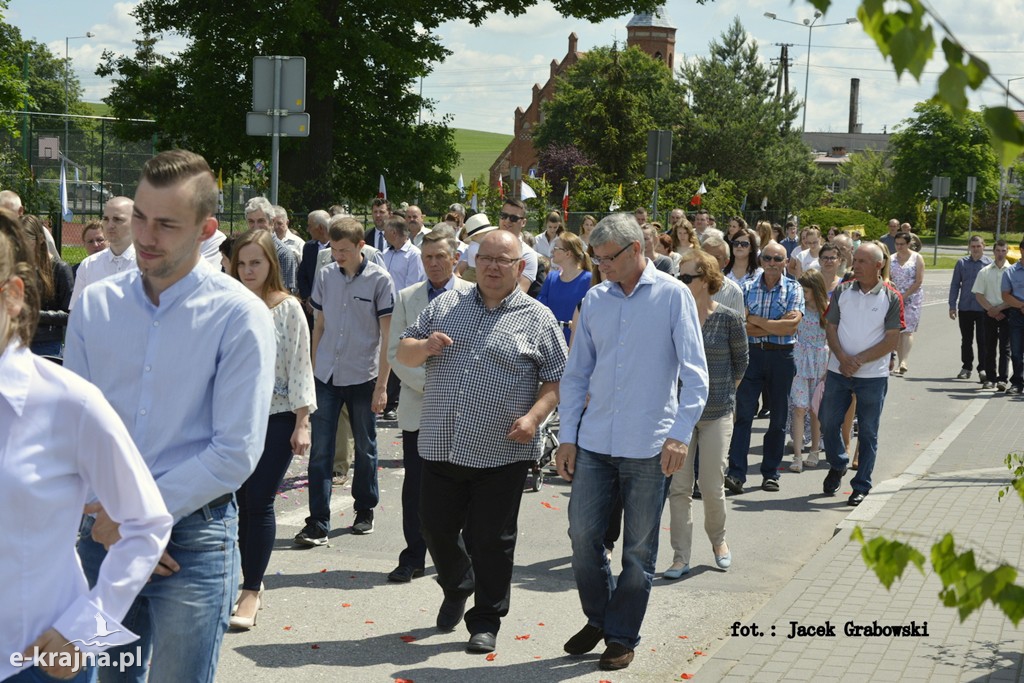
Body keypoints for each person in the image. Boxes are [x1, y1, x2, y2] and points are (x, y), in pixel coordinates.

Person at [65, 149, 276, 681]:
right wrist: (117, 523)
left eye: (165, 223)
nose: (145, 234)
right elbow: (73, 426)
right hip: (104, 534)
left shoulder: (240, 315)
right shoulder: (95, 305)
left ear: (206, 230)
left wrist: (139, 521)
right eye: (139, 215)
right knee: (108, 677)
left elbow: (235, 452)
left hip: (193, 541)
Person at [0, 210, 172, 683]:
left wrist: (85, 634)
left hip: (34, 663)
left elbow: (145, 523)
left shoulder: (67, 402)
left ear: (14, 297)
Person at [397, 230, 566, 654]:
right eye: (485, 258)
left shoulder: (537, 317)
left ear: (519, 267)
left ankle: (486, 619)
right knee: (432, 526)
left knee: (492, 539)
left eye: (502, 260)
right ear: (472, 262)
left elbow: (558, 379)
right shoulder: (446, 305)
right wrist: (424, 345)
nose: (492, 266)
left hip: (501, 450)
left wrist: (534, 418)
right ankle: (457, 585)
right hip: (441, 442)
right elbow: (404, 351)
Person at [556, 213, 708, 672]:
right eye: (596, 258)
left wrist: (680, 435)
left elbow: (695, 375)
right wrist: (567, 436)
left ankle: (621, 635)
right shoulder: (596, 299)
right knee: (582, 536)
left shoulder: (672, 295)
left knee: (638, 550)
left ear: (635, 250)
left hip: (649, 443)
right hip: (597, 439)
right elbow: (577, 371)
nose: (600, 266)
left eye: (607, 258)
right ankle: (601, 618)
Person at [227, 230, 316, 630]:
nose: (248, 270)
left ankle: (252, 589)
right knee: (236, 501)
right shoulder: (226, 305)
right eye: (242, 263)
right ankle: (232, 581)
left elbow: (301, 366)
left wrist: (303, 422)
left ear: (271, 266)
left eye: (256, 263)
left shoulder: (288, 308)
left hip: (277, 417)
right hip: (232, 419)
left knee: (259, 499)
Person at [298, 215, 394, 545]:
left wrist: (382, 385)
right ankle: (317, 522)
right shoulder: (325, 275)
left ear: (360, 246)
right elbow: (319, 326)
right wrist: (311, 372)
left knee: (365, 448)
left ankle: (364, 509)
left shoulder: (380, 280)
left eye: (344, 250)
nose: (338, 256)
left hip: (363, 375)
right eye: (334, 250)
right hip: (326, 373)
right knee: (320, 450)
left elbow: (387, 336)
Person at [385, 231, 475, 584]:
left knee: (464, 486)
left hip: (464, 410)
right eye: (427, 258)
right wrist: (434, 387)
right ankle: (413, 556)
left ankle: (459, 556)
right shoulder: (408, 298)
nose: (434, 263)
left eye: (440, 256)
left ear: (455, 259)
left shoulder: (472, 294)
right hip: (419, 409)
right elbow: (396, 353)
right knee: (417, 489)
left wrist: (453, 391)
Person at [664, 250, 746, 579]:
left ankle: (719, 542)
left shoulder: (727, 317)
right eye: (677, 276)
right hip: (679, 416)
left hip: (716, 414)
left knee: (712, 486)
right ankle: (680, 556)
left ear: (706, 280)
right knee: (679, 488)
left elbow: (741, 364)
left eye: (686, 277)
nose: (679, 282)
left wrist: (723, 393)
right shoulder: (671, 316)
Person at [819, 242, 904, 506]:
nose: (855, 265)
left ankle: (861, 485)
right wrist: (843, 358)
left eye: (862, 261)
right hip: (838, 371)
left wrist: (858, 361)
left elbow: (891, 341)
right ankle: (838, 463)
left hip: (873, 376)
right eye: (855, 260)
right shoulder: (843, 291)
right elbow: (830, 327)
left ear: (879, 265)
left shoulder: (891, 297)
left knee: (868, 431)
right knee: (828, 421)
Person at [724, 240, 804, 494]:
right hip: (751, 356)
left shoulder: (794, 288)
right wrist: (774, 323)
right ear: (760, 260)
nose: (771, 263)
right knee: (743, 416)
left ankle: (770, 474)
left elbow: (791, 327)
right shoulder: (745, 287)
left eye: (777, 259)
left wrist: (756, 320)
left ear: (786, 263)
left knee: (778, 419)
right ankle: (736, 474)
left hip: (782, 357)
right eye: (767, 258)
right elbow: (740, 325)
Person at [788, 269, 830, 472]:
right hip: (800, 361)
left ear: (816, 289)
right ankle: (797, 454)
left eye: (806, 290)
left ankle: (814, 450)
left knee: (816, 409)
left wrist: (829, 367)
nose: (803, 294)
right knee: (798, 407)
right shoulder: (798, 308)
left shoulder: (827, 310)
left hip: (820, 362)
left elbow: (833, 337)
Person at [70, 196, 136, 310]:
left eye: (117, 219)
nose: (110, 225)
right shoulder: (88, 266)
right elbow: (76, 316)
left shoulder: (152, 266)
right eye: (106, 219)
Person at [21, 215, 73, 357]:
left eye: (26, 238)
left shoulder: (60, 268)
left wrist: (36, 314)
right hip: (16, 341)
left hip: (47, 344)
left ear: (41, 239)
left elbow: (70, 315)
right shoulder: (17, 267)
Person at [538, 231, 592, 345]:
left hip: (577, 344)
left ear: (568, 254)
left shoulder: (588, 280)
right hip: (551, 344)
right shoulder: (551, 278)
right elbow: (540, 310)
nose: (552, 251)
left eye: (556, 248)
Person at [949, 235, 990, 380]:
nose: (975, 249)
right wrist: (952, 306)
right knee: (966, 340)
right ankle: (966, 367)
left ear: (983, 246)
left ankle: (983, 369)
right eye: (973, 246)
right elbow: (955, 285)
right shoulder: (961, 263)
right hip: (965, 307)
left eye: (978, 246)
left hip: (983, 308)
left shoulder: (989, 264)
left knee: (983, 340)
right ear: (969, 247)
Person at [973, 240, 1012, 391]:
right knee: (989, 346)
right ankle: (990, 378)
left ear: (1007, 252)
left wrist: (1000, 308)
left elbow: (1015, 295)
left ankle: (1002, 379)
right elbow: (979, 294)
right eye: (998, 250)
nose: (1000, 253)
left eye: (1003, 250)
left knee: (1005, 347)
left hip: (1007, 311)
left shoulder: (1012, 271)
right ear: (993, 252)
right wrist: (991, 310)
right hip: (988, 312)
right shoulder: (985, 271)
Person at [245, 197, 298, 293]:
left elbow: (284, 295)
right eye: (251, 221)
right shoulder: (243, 250)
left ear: (272, 222)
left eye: (261, 221)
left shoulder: (283, 254)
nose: (256, 226)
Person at [890, 231, 924, 375]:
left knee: (907, 330)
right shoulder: (891, 259)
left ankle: (903, 361)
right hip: (895, 298)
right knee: (897, 331)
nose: (899, 247)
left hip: (912, 297)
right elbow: (888, 277)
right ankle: (899, 360)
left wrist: (905, 295)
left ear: (909, 243)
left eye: (902, 244)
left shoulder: (917, 258)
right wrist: (896, 295)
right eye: (897, 244)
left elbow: (919, 280)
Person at [1000, 237, 1024, 395]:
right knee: (1016, 351)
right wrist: (1021, 305)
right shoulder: (1010, 271)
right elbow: (1005, 295)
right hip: (1017, 313)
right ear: (1021, 250)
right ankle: (1017, 383)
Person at [701, 234, 745, 316]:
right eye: (706, 256)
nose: (710, 261)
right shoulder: (684, 283)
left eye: (716, 258)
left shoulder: (734, 292)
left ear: (726, 262)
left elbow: (738, 327)